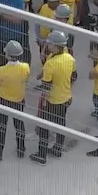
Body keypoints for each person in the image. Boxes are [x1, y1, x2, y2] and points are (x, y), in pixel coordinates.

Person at [34, 30, 75, 164]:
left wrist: (44, 101)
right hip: (66, 97)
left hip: (53, 100)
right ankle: (58, 149)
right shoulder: (68, 57)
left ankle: (41, 155)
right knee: (61, 124)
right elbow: (73, 75)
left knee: (44, 127)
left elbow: (46, 86)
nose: (48, 45)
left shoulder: (52, 63)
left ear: (57, 46)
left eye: (50, 44)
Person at [0, 40, 31, 161]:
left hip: (3, 100)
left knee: (1, 126)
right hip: (19, 100)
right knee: (19, 125)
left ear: (7, 55)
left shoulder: (1, 70)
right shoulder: (25, 67)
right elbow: (26, 80)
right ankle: (21, 149)